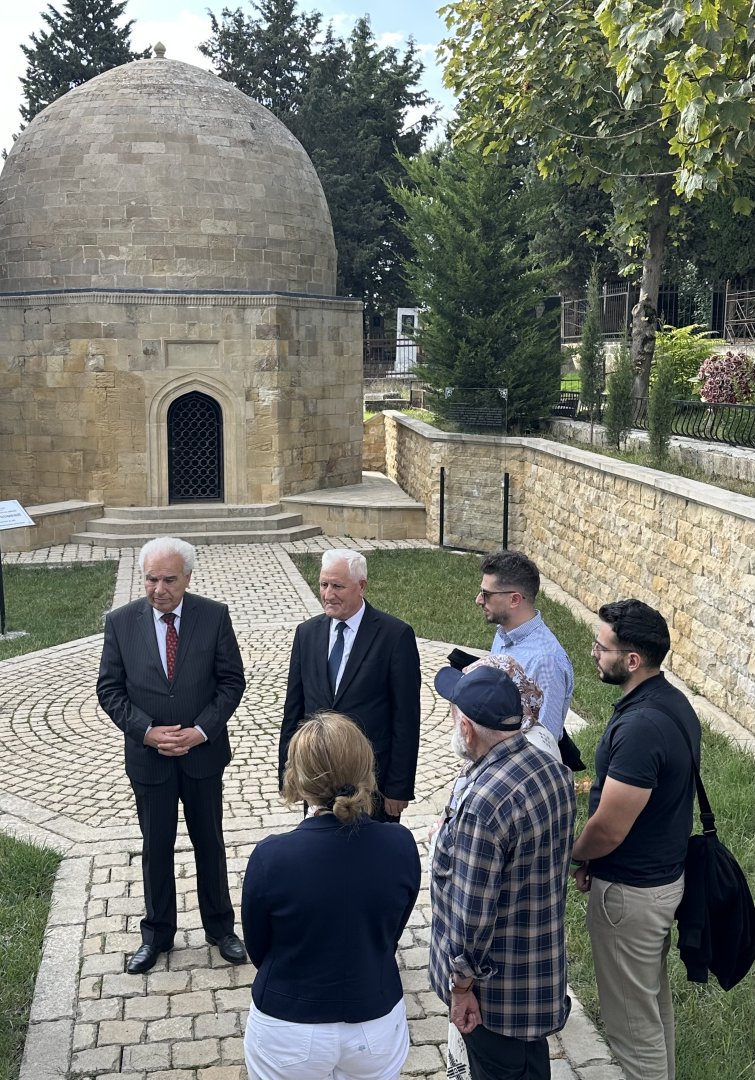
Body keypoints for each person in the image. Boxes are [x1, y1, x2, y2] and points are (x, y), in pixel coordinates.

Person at [242, 711, 421, 1080]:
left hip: (288, 1026)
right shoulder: (400, 845)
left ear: (299, 780)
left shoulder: (271, 857)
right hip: (375, 1021)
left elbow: (259, 948)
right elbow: (391, 930)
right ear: (366, 770)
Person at [97, 536, 247, 975]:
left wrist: (200, 731)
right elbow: (109, 689)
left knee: (210, 843)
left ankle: (221, 929)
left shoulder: (214, 616)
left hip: (202, 756)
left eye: (168, 579)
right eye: (150, 579)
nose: (158, 588)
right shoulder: (121, 622)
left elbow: (231, 681)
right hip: (150, 760)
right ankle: (157, 935)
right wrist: (146, 732)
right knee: (156, 847)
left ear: (187, 578)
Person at [571, 600, 701, 1080]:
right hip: (658, 881)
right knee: (649, 1010)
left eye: (601, 647)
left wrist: (574, 854)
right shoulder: (670, 700)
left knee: (631, 1030)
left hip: (630, 897)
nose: (593, 654)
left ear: (631, 660)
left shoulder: (641, 727)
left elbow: (609, 827)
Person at [429, 663, 576, 1080]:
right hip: (537, 977)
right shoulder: (554, 771)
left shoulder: (484, 802)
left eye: (454, 715)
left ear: (469, 729)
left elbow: (471, 917)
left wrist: (461, 988)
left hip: (494, 997)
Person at [279, 548, 421, 821]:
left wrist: (398, 788)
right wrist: (290, 776)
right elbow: (293, 710)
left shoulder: (394, 636)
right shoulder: (306, 634)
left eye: (338, 586)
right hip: (317, 781)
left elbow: (406, 718)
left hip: (371, 785)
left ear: (361, 586)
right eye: (323, 584)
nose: (328, 594)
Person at [477, 551, 573, 741]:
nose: (479, 600)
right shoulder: (504, 633)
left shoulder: (546, 662)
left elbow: (543, 742)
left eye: (486, 594)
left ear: (514, 599)